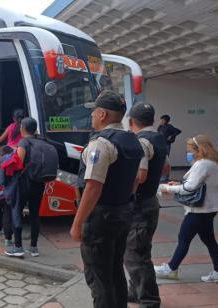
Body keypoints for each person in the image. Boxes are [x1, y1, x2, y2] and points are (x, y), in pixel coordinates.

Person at [71, 90, 144, 308]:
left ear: (102, 114)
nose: (92, 115)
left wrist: (77, 224)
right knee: (114, 270)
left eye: (94, 112)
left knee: (98, 277)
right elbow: (136, 179)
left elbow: (93, 187)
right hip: (123, 212)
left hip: (101, 217)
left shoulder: (101, 143)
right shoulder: (133, 140)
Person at [155, 135, 218, 284]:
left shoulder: (202, 164)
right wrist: (177, 184)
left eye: (190, 150)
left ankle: (171, 269)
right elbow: (198, 184)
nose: (189, 153)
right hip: (210, 208)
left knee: (184, 238)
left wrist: (166, 188)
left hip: (199, 210)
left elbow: (189, 188)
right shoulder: (213, 164)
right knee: (209, 240)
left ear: (199, 149)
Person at [125, 103, 168, 308]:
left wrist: (127, 194)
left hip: (139, 204)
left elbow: (140, 176)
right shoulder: (159, 139)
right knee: (139, 250)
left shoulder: (141, 141)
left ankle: (149, 300)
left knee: (136, 255)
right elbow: (165, 166)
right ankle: (134, 292)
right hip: (151, 202)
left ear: (131, 120)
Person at [4, 117, 44, 258]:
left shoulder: (23, 142)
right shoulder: (41, 141)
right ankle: (33, 247)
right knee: (35, 215)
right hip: (39, 183)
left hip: (24, 184)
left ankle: (18, 247)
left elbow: (18, 163)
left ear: (23, 128)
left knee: (17, 212)